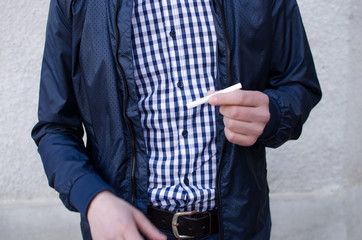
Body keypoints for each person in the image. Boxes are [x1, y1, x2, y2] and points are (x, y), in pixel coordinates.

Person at [32, 0, 321, 239]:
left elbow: (299, 84)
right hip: (129, 229)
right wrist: (93, 199)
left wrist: (274, 114)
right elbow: (55, 127)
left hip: (238, 227)